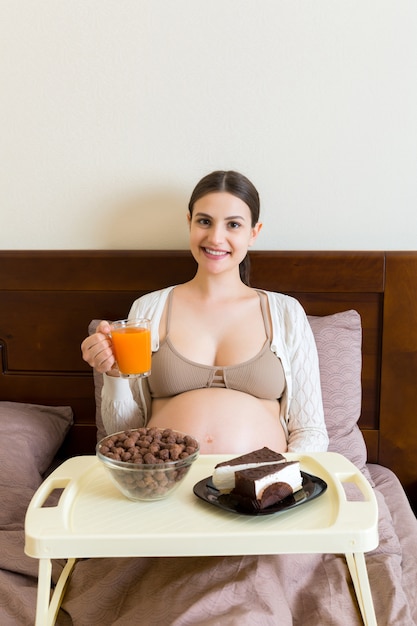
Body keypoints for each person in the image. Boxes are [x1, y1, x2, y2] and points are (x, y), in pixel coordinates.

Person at [81, 170, 328, 454]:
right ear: (189, 223)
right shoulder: (148, 310)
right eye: (204, 221)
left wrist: (282, 482)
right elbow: (125, 434)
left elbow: (311, 431)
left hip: (261, 487)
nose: (215, 237)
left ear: (253, 233)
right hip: (163, 483)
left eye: (233, 224)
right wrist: (114, 376)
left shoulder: (286, 313)